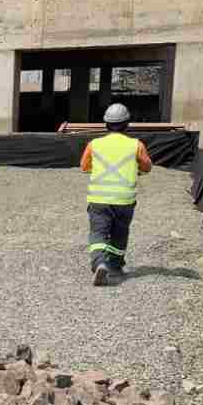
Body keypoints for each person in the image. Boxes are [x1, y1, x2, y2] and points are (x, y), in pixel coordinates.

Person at [80, 103, 152, 286]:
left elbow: (84, 167)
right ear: (127, 123)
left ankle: (99, 263)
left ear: (106, 124)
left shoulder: (94, 144)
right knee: (120, 233)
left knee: (98, 233)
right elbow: (147, 167)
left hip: (99, 199)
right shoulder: (136, 145)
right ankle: (115, 266)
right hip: (124, 200)